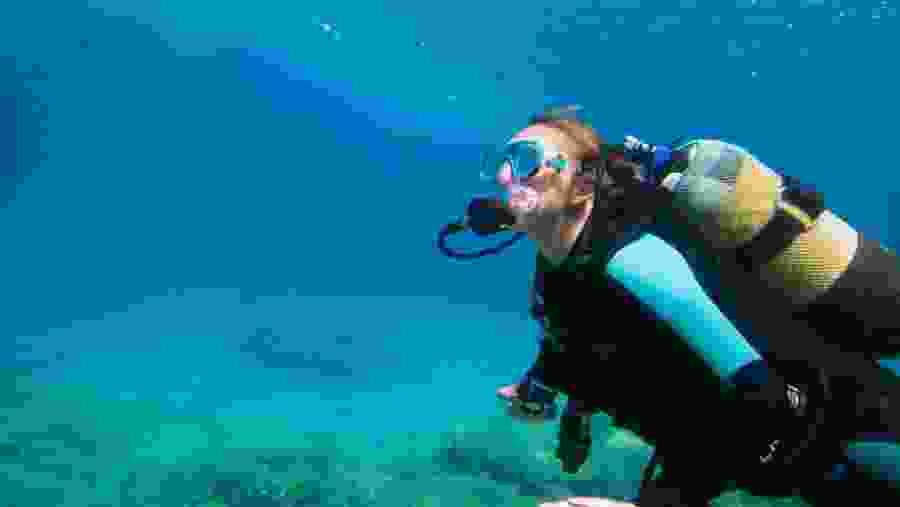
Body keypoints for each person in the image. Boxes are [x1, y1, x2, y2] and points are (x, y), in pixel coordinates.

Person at [436, 106, 900, 506]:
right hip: (816, 464)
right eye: (503, 161)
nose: (504, 177)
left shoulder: (637, 262)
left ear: (582, 187)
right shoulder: (560, 269)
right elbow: (579, 343)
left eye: (525, 161)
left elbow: (770, 402)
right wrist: (540, 386)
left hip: (863, 439)